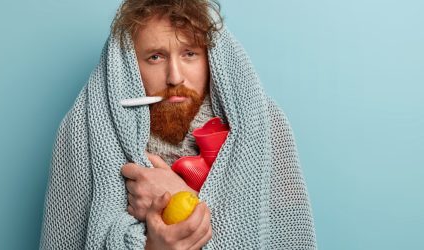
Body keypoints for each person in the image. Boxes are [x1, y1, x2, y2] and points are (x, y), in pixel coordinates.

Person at [39, 0, 317, 249]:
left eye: (190, 54)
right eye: (155, 57)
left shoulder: (263, 126)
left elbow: (281, 237)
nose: (175, 77)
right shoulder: (83, 133)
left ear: (212, 60)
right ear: (129, 68)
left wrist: (177, 197)